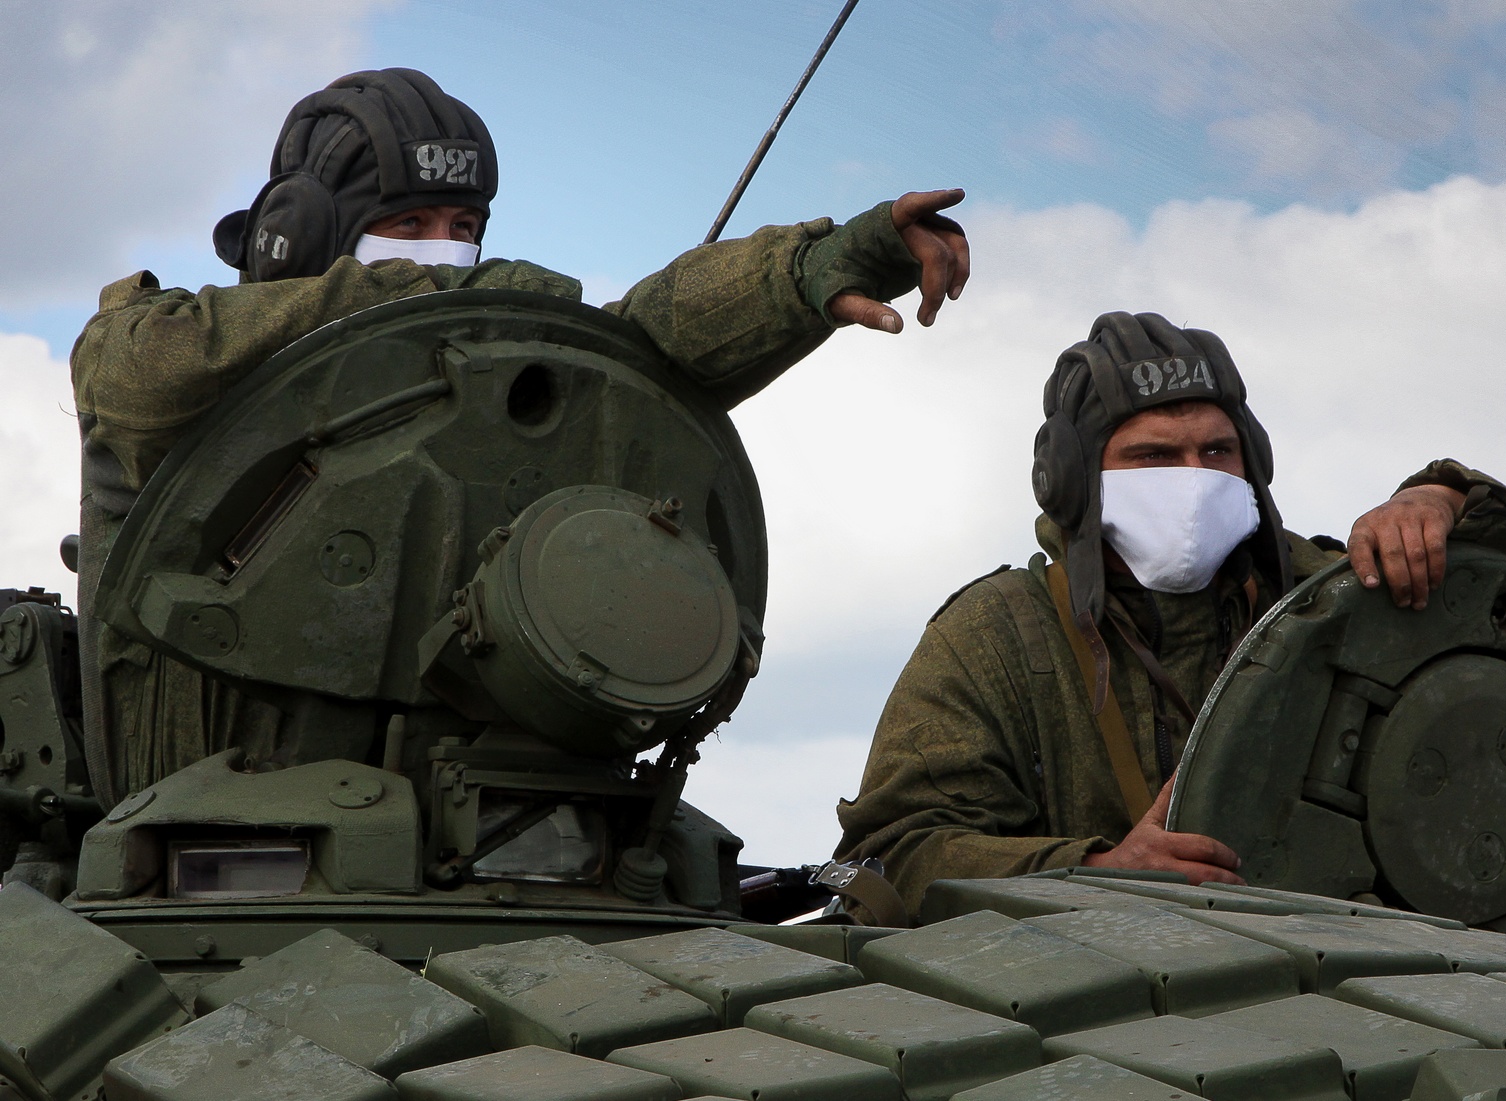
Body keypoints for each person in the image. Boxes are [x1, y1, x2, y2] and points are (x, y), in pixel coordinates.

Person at [69, 68, 969, 803]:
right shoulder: (162, 346)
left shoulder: (486, 358)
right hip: (210, 832)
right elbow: (138, 380)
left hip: (487, 833)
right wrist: (413, 298)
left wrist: (812, 269)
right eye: (408, 224)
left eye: (464, 228)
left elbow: (640, 345)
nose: (444, 251)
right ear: (301, 233)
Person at [834, 310, 1506, 920]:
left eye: (1216, 452)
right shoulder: (997, 638)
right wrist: (1094, 866)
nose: (1193, 476)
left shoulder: (1343, 595)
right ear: (1077, 481)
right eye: (1153, 456)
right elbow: (894, 851)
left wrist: (1451, 499)